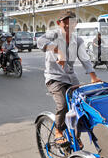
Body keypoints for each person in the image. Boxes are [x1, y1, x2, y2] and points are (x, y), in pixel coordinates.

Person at [37, 10, 101, 147]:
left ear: (75, 24)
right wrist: (58, 50)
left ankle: (75, 136)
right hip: (54, 78)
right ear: (59, 23)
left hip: (71, 78)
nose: (67, 27)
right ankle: (58, 131)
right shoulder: (53, 34)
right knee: (64, 105)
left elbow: (85, 59)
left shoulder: (78, 40)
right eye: (64, 24)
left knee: (81, 106)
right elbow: (40, 41)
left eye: (70, 24)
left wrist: (93, 77)